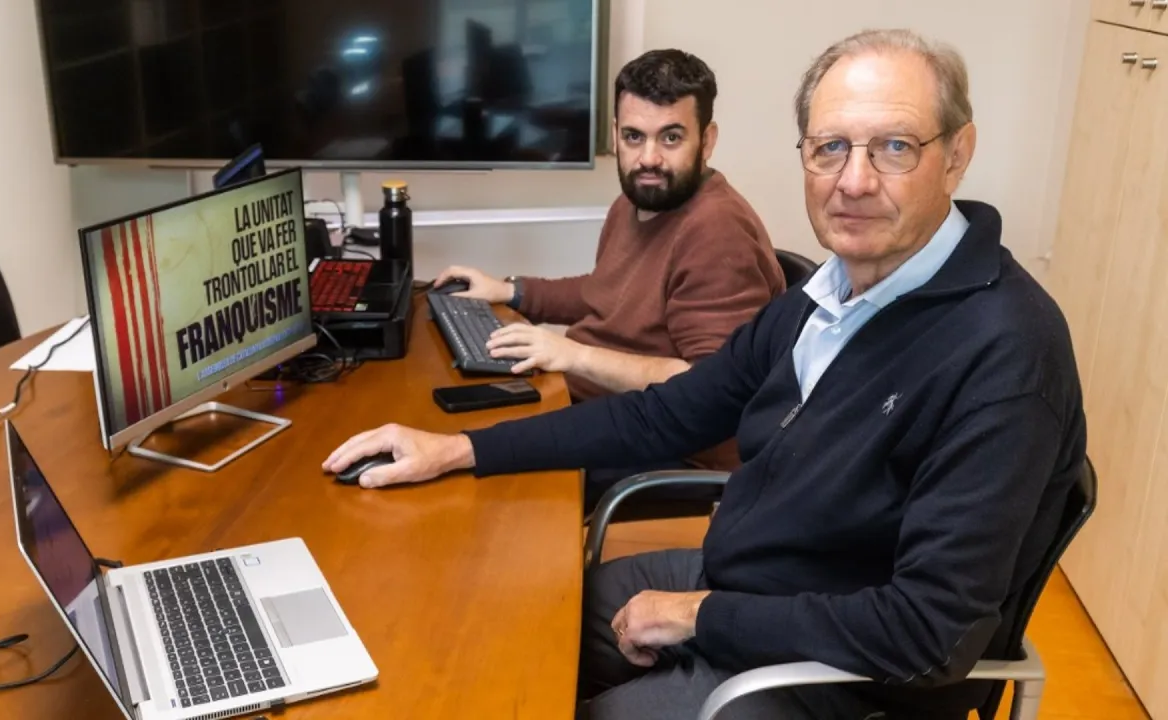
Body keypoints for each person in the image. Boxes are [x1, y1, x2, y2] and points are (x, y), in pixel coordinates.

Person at [324, 28, 1087, 720]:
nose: (852, 181)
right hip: (750, 582)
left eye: (893, 147)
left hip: (840, 677)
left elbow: (925, 634)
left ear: (957, 153)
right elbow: (662, 415)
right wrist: (458, 449)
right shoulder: (825, 299)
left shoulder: (1005, 353)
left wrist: (698, 615)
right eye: (829, 148)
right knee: (517, 625)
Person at [434, 49, 786, 512]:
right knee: (450, 424)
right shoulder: (636, 201)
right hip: (596, 410)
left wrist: (574, 355)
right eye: (634, 136)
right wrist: (511, 290)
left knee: (481, 495)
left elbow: (710, 389)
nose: (649, 158)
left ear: (708, 140)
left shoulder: (716, 232)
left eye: (671, 137)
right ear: (616, 136)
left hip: (673, 454)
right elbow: (604, 292)